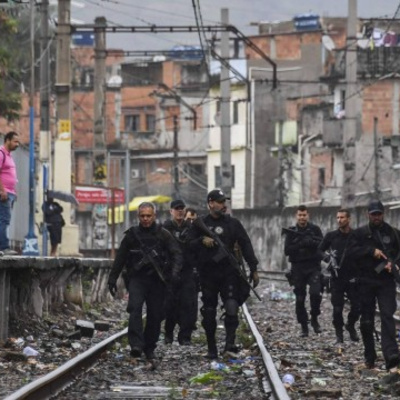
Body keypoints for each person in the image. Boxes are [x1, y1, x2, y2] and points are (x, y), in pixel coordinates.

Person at [187, 189, 259, 359]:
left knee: (232, 307)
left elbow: (246, 244)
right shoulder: (200, 223)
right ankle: (211, 348)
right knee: (209, 312)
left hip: (229, 272)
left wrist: (253, 268)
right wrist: (201, 240)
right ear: (211, 203)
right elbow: (187, 245)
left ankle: (229, 344)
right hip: (208, 274)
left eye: (224, 202)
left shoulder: (233, 223)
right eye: (219, 202)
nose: (223, 205)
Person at [107, 202, 182, 361]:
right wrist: (112, 279)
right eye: (143, 216)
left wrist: (173, 275)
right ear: (138, 217)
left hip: (157, 281)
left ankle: (149, 347)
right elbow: (120, 258)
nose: (146, 219)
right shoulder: (132, 235)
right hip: (137, 279)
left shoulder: (164, 234)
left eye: (149, 216)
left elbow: (176, 255)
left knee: (155, 315)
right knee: (134, 308)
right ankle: (136, 344)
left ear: (154, 216)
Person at [353, 200, 400, 378]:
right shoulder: (359, 234)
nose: (376, 217)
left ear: (383, 213)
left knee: (387, 315)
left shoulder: (393, 233)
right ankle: (370, 358)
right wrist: (370, 252)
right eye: (373, 214)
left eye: (379, 214)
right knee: (367, 321)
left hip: (385, 282)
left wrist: (393, 265)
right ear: (368, 214)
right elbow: (351, 253)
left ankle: (391, 357)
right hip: (365, 281)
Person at [319, 209, 360, 343]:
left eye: (342, 217)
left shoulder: (356, 235)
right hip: (336, 277)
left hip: (352, 277)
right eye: (337, 218)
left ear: (348, 219)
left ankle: (350, 325)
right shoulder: (331, 236)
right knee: (337, 308)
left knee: (357, 306)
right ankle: (339, 335)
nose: (339, 220)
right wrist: (327, 259)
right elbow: (319, 250)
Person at [284, 205, 323, 337]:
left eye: (304, 215)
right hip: (298, 268)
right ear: (297, 216)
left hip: (313, 267)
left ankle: (314, 318)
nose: (302, 217)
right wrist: (300, 243)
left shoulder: (315, 230)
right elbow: (287, 251)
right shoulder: (291, 231)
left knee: (316, 294)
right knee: (300, 299)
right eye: (300, 215)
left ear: (308, 215)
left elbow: (322, 246)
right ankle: (304, 326)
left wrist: (310, 242)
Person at [163, 200, 198, 345]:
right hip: (170, 272)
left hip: (187, 271)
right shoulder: (165, 228)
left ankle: (185, 336)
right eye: (176, 209)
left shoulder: (191, 228)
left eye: (182, 209)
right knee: (169, 304)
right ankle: (168, 334)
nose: (180, 212)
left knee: (187, 305)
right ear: (171, 211)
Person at [0, 131, 19, 255]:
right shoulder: (1, 154)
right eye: (15, 141)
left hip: (10, 193)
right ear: (7, 140)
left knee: (5, 219)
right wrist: (2, 191)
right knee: (4, 220)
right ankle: (4, 247)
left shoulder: (9, 155)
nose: (17, 144)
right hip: (4, 193)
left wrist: (14, 191)